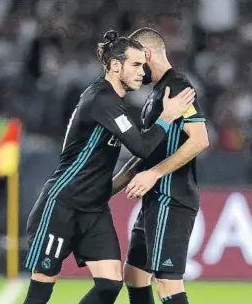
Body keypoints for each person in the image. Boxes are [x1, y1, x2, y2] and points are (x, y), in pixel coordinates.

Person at [22, 29, 195, 304]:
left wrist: (132, 175)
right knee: (42, 287)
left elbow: (111, 160)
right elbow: (141, 145)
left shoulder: (115, 103)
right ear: (116, 66)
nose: (142, 72)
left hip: (94, 208)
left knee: (111, 283)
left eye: (143, 64)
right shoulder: (101, 99)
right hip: (63, 204)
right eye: (136, 65)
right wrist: (167, 117)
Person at [112, 27, 209, 304]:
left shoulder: (178, 86)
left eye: (135, 61)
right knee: (134, 275)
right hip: (155, 200)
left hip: (172, 197)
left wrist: (154, 174)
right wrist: (108, 190)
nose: (135, 70)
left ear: (148, 54)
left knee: (167, 284)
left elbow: (200, 140)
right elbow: (146, 152)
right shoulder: (156, 95)